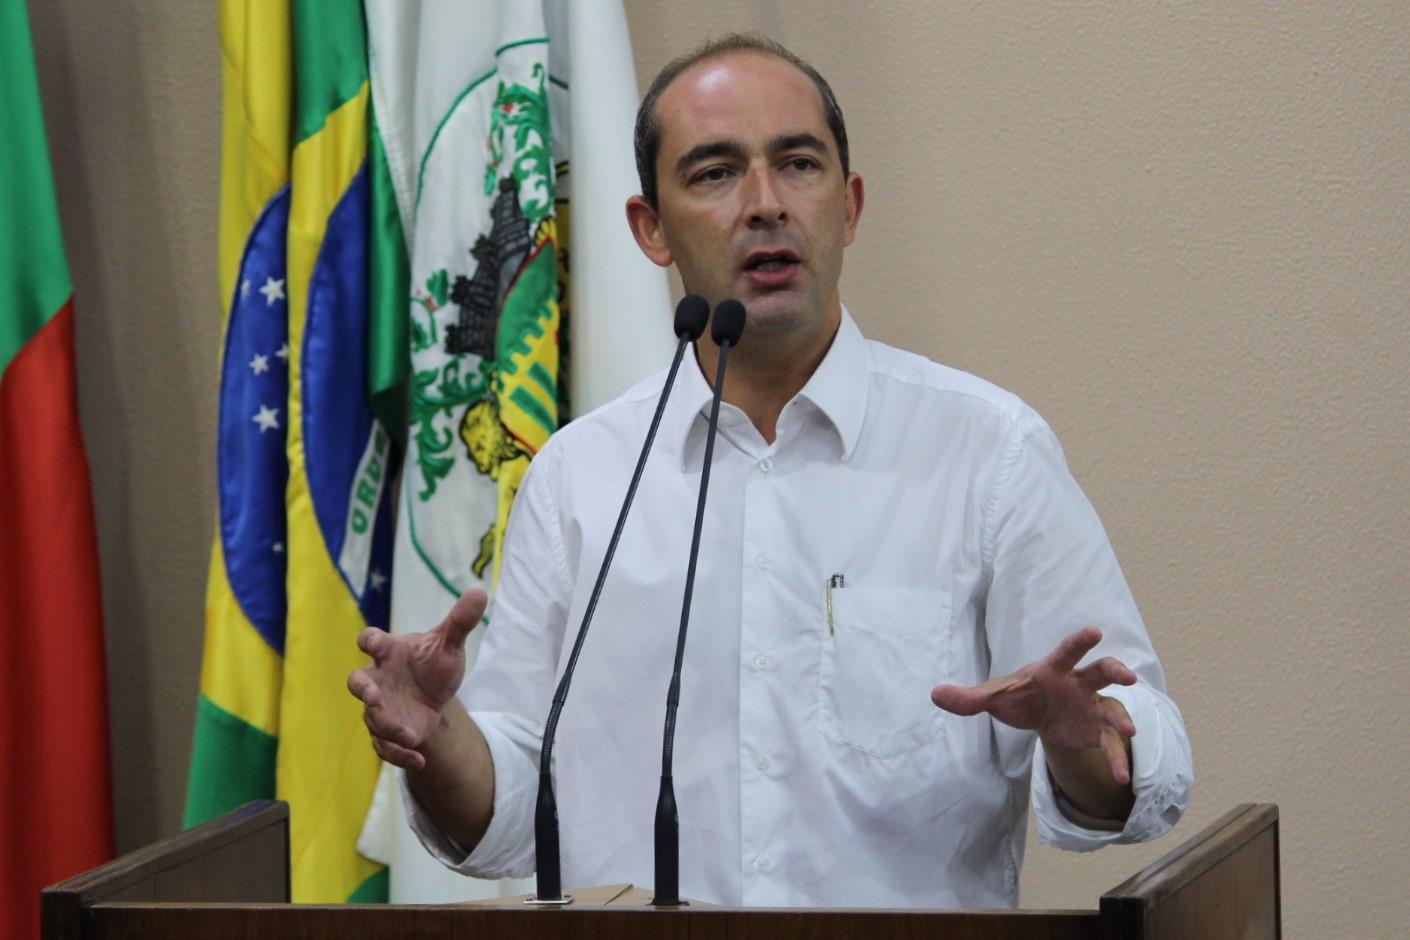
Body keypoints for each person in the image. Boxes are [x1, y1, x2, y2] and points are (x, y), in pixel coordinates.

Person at [348, 34, 1193, 908]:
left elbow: (1151, 768)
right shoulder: (582, 477)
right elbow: (514, 811)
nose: (764, 204)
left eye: (797, 164)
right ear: (650, 229)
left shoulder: (988, 453)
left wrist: (1081, 738)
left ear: (850, 206)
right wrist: (437, 740)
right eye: (714, 173)